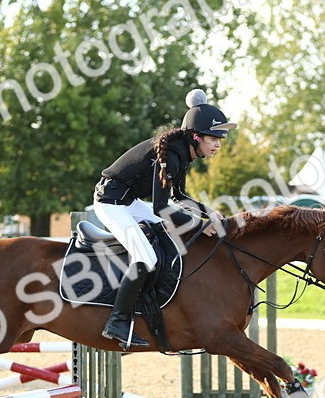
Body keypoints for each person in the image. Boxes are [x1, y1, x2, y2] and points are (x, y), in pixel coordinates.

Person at [91, 88, 234, 348]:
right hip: (110, 203)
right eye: (213, 138)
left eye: (219, 139)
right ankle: (118, 322)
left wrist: (207, 213)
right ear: (196, 136)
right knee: (146, 256)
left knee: (171, 234)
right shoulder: (171, 154)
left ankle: (155, 299)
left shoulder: (182, 152)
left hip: (129, 202)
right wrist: (200, 225)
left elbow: (178, 196)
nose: (218, 144)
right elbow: (160, 209)